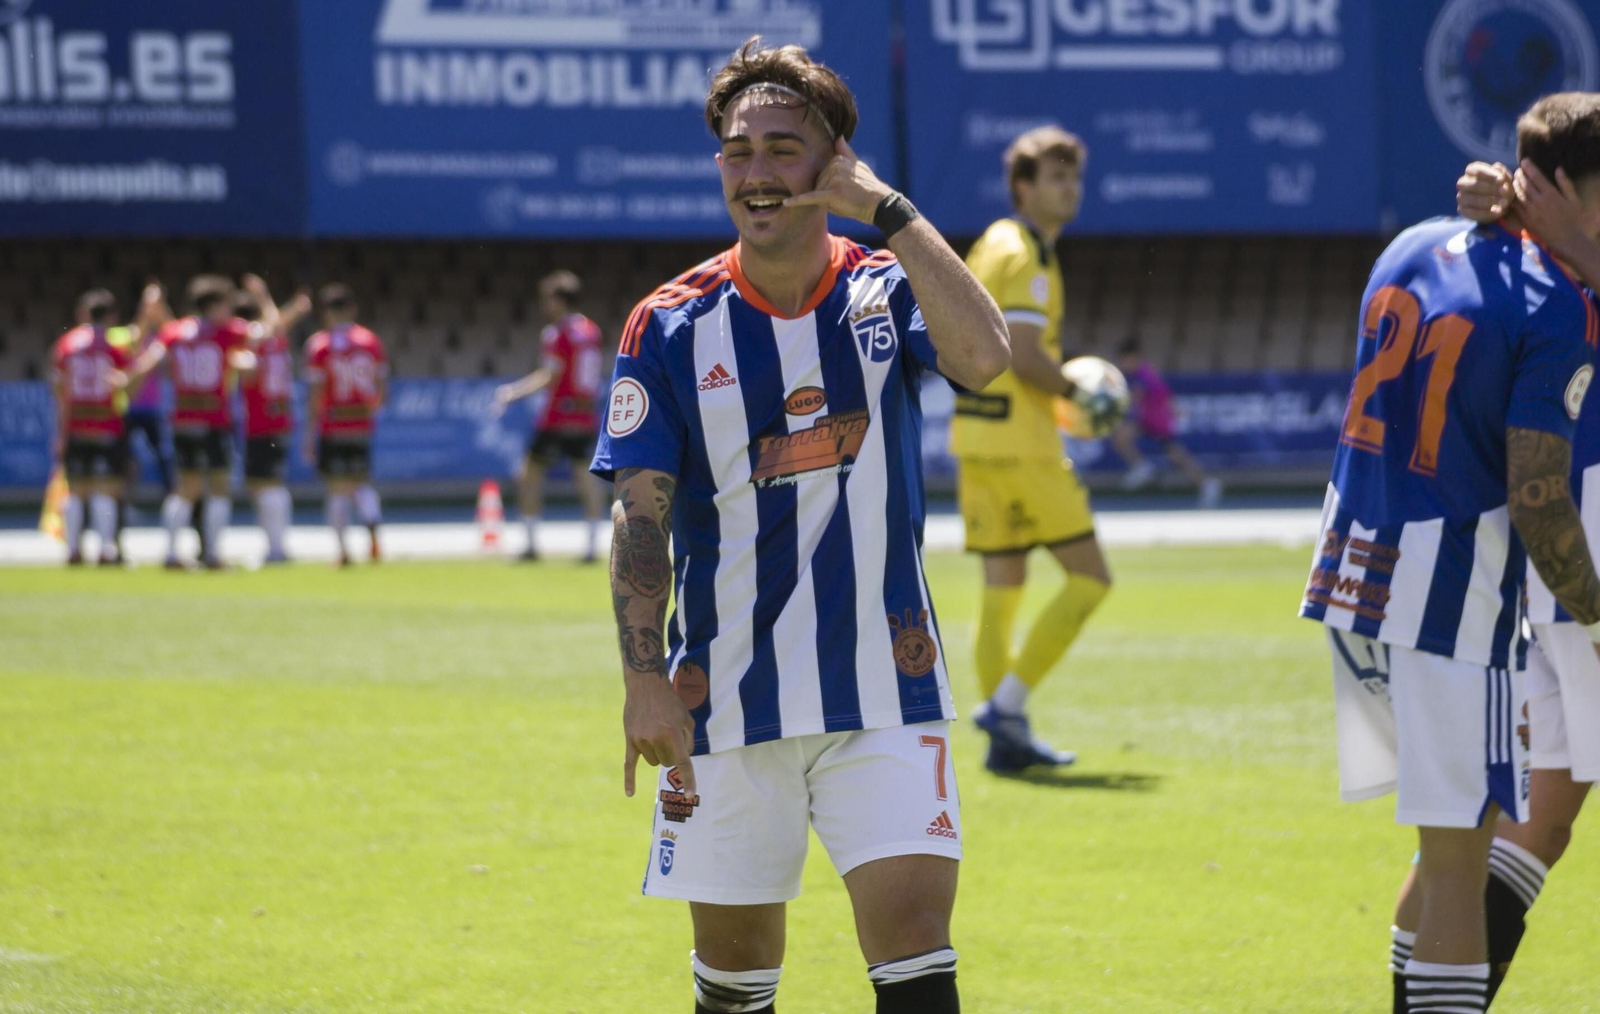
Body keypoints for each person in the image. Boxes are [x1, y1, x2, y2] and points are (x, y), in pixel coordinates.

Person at [591, 37, 1008, 1014]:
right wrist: (643, 681)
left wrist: (891, 213)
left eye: (785, 149)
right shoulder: (667, 322)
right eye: (739, 152)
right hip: (721, 705)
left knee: (915, 961)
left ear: (833, 161)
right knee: (735, 982)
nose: (759, 173)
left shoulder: (885, 285)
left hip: (885, 691)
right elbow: (639, 511)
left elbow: (987, 359)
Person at [1298, 92, 1600, 1014]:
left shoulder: (1412, 245)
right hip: (1473, 584)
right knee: (1481, 839)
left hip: (1360, 572)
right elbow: (1537, 487)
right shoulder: (1556, 305)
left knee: (1467, 834)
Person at [1452, 123, 1600, 1004]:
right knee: (1524, 822)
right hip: (1571, 547)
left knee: (1534, 824)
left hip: (1550, 557)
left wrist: (1563, 235)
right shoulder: (1546, 273)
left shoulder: (1562, 256)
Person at [948, 126, 1111, 773]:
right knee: (1091, 577)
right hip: (1022, 445)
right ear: (1023, 187)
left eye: (1074, 177)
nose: (1069, 189)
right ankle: (1005, 707)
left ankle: (1004, 741)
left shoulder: (992, 242)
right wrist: (1081, 393)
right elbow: (1020, 351)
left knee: (1003, 587)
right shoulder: (1030, 256)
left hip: (976, 438)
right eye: (1055, 177)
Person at [127, 275, 256, 570]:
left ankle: (171, 554)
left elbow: (148, 363)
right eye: (226, 305)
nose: (229, 312)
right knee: (219, 486)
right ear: (214, 305)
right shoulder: (227, 332)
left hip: (183, 419)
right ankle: (212, 554)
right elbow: (260, 336)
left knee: (185, 489)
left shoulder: (174, 332)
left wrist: (126, 382)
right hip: (214, 419)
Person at [489, 270, 607, 562]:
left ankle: (530, 543)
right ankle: (593, 545)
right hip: (584, 415)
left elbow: (549, 375)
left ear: (558, 300)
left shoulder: (557, 333)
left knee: (528, 474)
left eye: (547, 299)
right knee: (585, 478)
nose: (544, 305)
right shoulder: (591, 330)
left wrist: (512, 393)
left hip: (558, 416)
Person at [303, 284, 388, 567]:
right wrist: (365, 410)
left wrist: (309, 432)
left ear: (326, 313)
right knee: (361, 483)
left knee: (337, 489)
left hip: (333, 424)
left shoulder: (319, 345)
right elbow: (381, 391)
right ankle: (373, 529)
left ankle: (342, 551)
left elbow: (316, 394)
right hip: (361, 423)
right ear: (352, 309)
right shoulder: (370, 341)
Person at [50, 290, 132, 565]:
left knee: (75, 492)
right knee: (105, 491)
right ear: (110, 316)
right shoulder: (114, 348)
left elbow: (60, 393)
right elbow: (127, 385)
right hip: (107, 425)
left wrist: (61, 434)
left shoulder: (65, 345)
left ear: (84, 314)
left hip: (76, 426)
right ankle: (107, 550)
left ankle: (72, 550)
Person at [237, 276, 312, 564]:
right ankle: (275, 546)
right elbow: (278, 322)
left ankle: (276, 549)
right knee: (267, 483)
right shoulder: (276, 341)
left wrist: (262, 295)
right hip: (279, 418)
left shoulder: (254, 338)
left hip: (262, 421)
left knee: (265, 484)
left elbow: (273, 323)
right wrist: (265, 296)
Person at [1112, 338, 1222, 507]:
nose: (1123, 364)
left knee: (1176, 455)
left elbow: (1137, 396)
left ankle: (1206, 483)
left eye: (1124, 360)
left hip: (1157, 420)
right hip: (1147, 419)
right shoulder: (1142, 372)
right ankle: (1142, 467)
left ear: (1132, 357)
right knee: (1121, 437)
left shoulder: (1143, 373)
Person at [107, 281, 174, 548]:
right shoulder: (122, 335)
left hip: (153, 411)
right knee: (123, 472)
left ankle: (180, 534)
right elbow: (133, 340)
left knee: (169, 470)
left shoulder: (163, 337)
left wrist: (162, 308)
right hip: (126, 410)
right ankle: (116, 538)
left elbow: (177, 331)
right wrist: (147, 312)